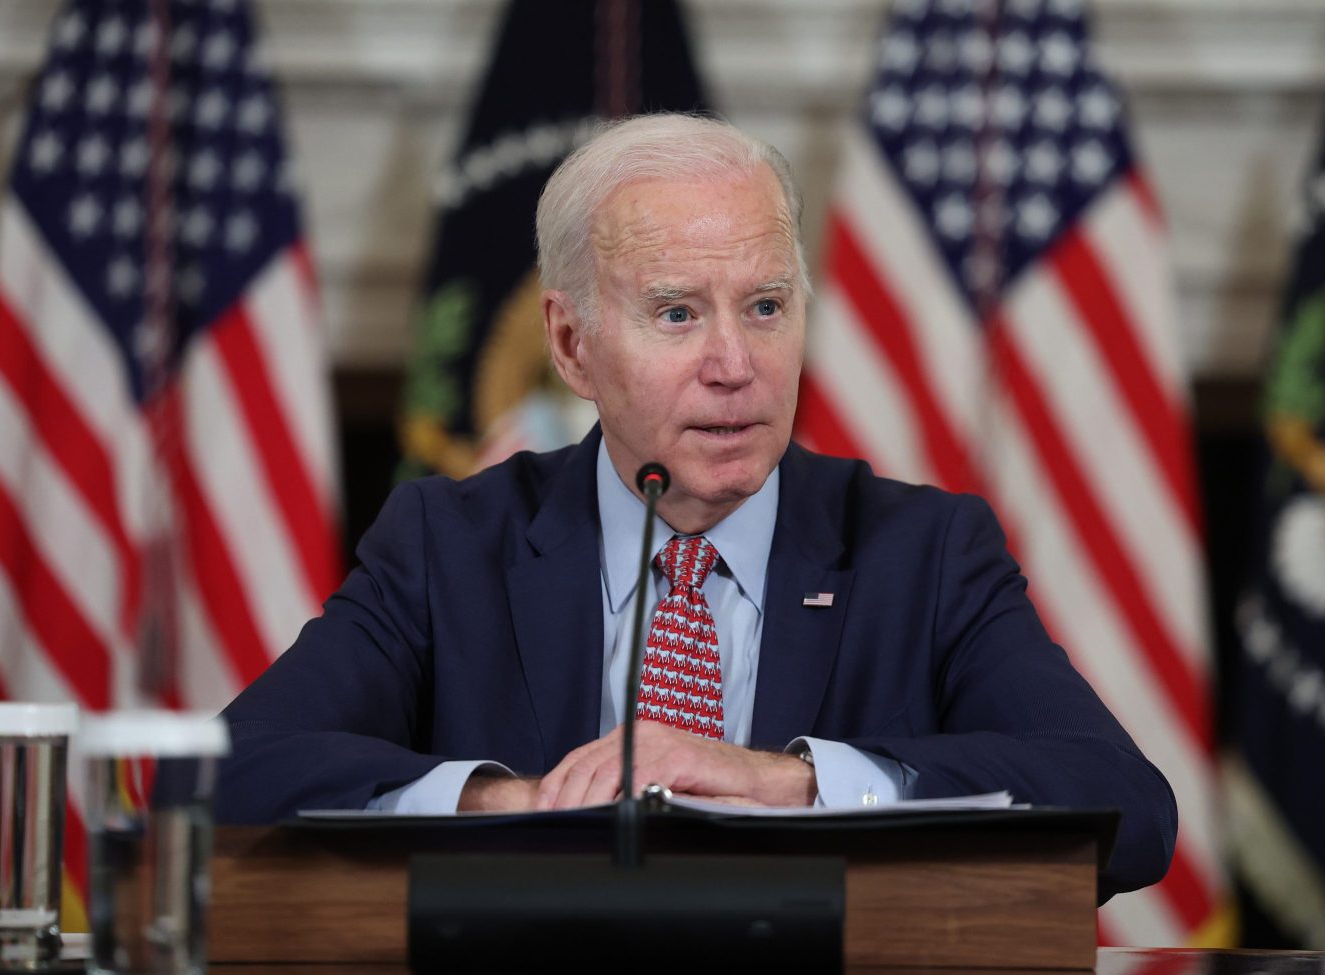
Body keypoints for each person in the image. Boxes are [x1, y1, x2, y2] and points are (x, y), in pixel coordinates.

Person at [215, 113, 1176, 899]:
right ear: (572, 343)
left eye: (765, 307)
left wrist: (795, 782)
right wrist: (503, 807)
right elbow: (230, 771)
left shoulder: (922, 554)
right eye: (677, 313)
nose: (735, 365)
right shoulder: (446, 547)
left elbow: (1129, 808)